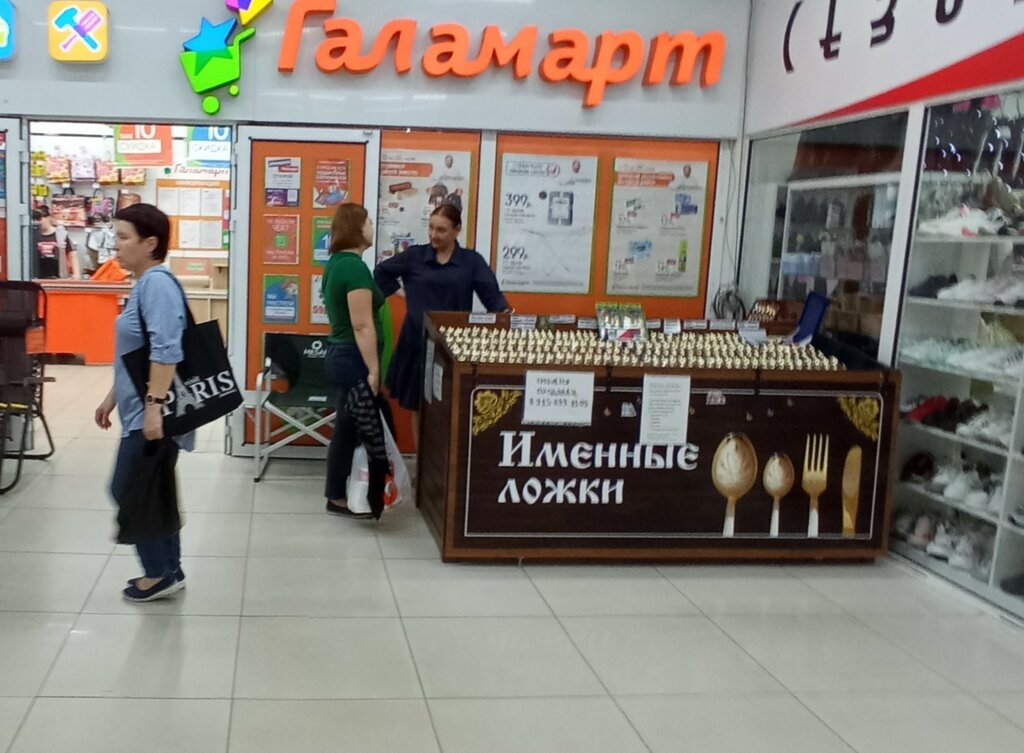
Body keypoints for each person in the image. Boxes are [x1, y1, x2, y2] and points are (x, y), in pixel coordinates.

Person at [94, 204, 193, 602]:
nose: (115, 246)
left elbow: (167, 350)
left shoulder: (156, 285)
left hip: (154, 414)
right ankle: (170, 568)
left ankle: (157, 572)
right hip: (142, 408)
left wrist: (153, 408)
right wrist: (113, 396)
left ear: (150, 243)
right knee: (154, 491)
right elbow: (137, 353)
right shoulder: (145, 284)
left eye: (123, 237)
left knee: (127, 489)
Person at [374, 203, 510, 447]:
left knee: (452, 408)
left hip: (453, 349)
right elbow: (381, 273)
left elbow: (493, 299)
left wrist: (506, 317)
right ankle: (422, 464)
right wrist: (402, 293)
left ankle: (447, 464)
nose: (433, 235)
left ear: (457, 230)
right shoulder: (414, 256)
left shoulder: (471, 261)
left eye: (441, 230)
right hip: (416, 344)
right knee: (419, 406)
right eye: (431, 228)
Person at [321, 203, 386, 519]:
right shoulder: (354, 268)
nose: (372, 227)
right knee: (368, 433)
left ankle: (337, 496)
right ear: (356, 228)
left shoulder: (337, 263)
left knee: (346, 429)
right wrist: (373, 368)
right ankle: (366, 498)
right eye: (369, 222)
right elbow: (361, 325)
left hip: (342, 355)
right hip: (353, 358)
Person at [31, 206, 80, 279]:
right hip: (39, 275)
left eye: (39, 218)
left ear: (48, 217)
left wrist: (76, 274)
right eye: (34, 219)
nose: (37, 222)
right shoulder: (33, 235)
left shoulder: (60, 234)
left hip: (58, 274)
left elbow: (72, 254)